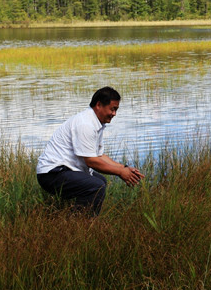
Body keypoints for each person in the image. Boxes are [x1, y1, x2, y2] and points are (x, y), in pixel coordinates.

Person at [36, 86, 144, 215]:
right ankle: (81, 223)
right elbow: (91, 162)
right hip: (51, 174)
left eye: (116, 110)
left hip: (63, 170)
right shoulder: (85, 124)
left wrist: (124, 167)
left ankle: (76, 219)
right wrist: (120, 172)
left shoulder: (95, 123)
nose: (114, 114)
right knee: (96, 186)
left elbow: (99, 156)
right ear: (99, 105)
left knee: (101, 182)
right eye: (112, 109)